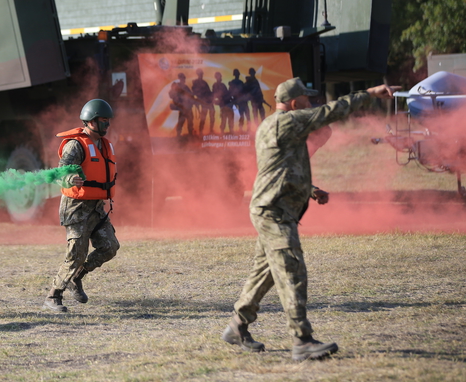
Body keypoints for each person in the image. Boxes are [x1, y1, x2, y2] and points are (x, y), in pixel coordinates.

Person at [222, 78, 398, 360]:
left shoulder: (271, 125)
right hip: (274, 211)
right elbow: (331, 111)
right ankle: (302, 341)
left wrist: (311, 190)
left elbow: (279, 166)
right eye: (306, 100)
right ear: (294, 103)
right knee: (292, 271)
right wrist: (369, 94)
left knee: (266, 272)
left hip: (272, 208)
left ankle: (237, 326)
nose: (311, 103)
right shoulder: (288, 122)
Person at [44, 99, 120, 312]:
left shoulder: (104, 145)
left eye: (108, 121)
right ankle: (53, 296)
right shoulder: (75, 145)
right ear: (91, 121)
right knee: (76, 254)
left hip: (96, 207)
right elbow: (60, 174)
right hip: (76, 207)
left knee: (110, 247)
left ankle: (77, 276)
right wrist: (69, 180)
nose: (107, 125)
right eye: (103, 121)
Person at [169, 72, 196, 137]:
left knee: (190, 121)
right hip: (183, 107)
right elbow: (172, 95)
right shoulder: (177, 86)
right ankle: (179, 135)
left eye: (184, 78)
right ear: (180, 78)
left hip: (187, 107)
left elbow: (191, 95)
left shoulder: (185, 87)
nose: (184, 79)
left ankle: (190, 134)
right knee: (182, 121)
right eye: (183, 78)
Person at [192, 68, 215, 135]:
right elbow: (195, 93)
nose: (201, 75)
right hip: (203, 102)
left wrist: (212, 96)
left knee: (211, 116)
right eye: (200, 74)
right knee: (203, 117)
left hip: (208, 101)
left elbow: (209, 92)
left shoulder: (204, 83)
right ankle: (201, 131)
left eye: (201, 74)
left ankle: (211, 130)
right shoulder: (196, 83)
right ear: (198, 74)